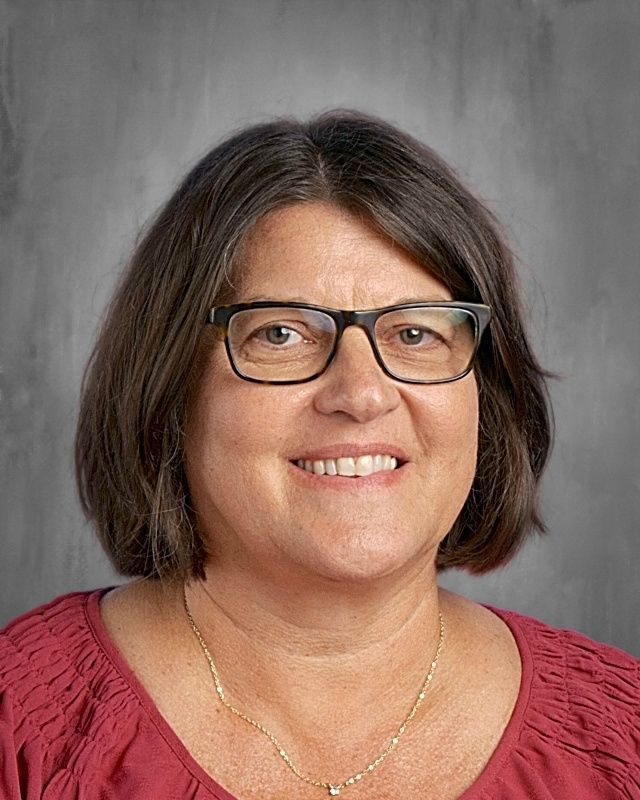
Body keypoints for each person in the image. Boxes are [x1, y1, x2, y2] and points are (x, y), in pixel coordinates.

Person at [0, 111, 638, 800]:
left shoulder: (620, 742)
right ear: (170, 383)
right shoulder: (23, 734)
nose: (361, 395)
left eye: (416, 334)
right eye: (281, 333)